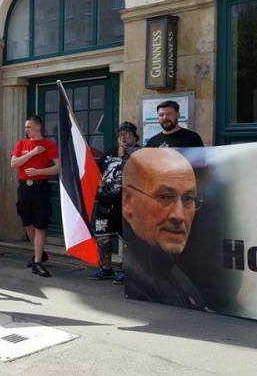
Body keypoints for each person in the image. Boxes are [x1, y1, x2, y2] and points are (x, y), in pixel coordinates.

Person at [121, 148, 206, 310]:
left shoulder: (173, 271)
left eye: (188, 198)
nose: (179, 216)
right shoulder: (140, 281)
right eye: (165, 197)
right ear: (127, 201)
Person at [88, 122, 141, 284]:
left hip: (126, 204)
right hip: (105, 202)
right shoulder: (110, 152)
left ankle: (127, 270)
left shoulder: (140, 153)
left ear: (134, 136)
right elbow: (97, 172)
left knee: (128, 239)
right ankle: (105, 268)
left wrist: (126, 154)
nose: (123, 137)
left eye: (127, 133)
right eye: (121, 134)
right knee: (102, 237)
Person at [10, 115, 60, 277]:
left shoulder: (48, 144)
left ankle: (37, 261)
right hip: (24, 187)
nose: (27, 130)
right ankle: (40, 253)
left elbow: (57, 168)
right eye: (26, 127)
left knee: (40, 225)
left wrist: (39, 172)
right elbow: (14, 163)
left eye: (29, 127)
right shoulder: (22, 143)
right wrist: (31, 153)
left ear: (38, 127)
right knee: (27, 223)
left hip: (40, 187)